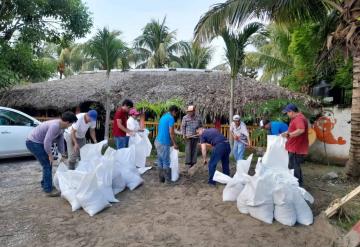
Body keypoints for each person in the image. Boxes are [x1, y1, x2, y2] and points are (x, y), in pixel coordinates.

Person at [26, 111, 78, 196]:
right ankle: (48, 189)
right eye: (71, 124)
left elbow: (60, 140)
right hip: (33, 142)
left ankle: (45, 184)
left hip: (39, 142)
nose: (71, 126)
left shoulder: (62, 127)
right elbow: (47, 141)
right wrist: (50, 155)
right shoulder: (55, 126)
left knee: (47, 164)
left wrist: (63, 153)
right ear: (67, 122)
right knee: (47, 164)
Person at [281, 103, 309, 187]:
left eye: (287, 113)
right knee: (295, 166)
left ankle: (297, 185)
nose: (287, 114)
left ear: (291, 112)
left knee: (294, 166)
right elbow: (295, 129)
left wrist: (289, 135)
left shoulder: (299, 119)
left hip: (296, 148)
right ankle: (298, 183)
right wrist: (287, 133)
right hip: (295, 147)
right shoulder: (297, 118)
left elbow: (301, 130)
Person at [155, 105, 179, 183]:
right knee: (166, 161)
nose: (176, 115)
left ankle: (161, 179)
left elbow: (165, 128)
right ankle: (167, 181)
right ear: (174, 111)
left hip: (158, 141)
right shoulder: (171, 118)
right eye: (176, 113)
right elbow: (171, 133)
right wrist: (175, 143)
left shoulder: (164, 116)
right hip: (164, 142)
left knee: (160, 160)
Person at [181, 105, 202, 170]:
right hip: (188, 136)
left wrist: (199, 132)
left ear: (194, 111)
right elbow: (183, 127)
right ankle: (188, 163)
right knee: (188, 149)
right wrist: (184, 135)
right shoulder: (185, 118)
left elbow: (201, 126)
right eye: (189, 112)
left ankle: (193, 163)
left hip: (196, 136)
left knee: (195, 149)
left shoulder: (198, 117)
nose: (190, 113)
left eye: (191, 111)